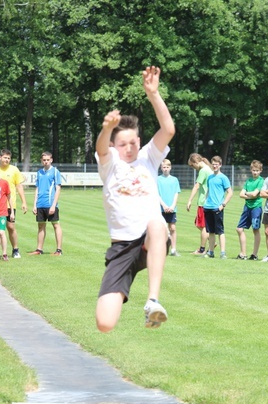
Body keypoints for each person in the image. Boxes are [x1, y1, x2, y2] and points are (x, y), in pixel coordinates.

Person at [95, 66, 175, 333]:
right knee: (105, 323)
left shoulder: (149, 158)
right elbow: (101, 148)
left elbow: (169, 129)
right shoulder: (110, 164)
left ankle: (152, 301)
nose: (128, 148)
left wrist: (153, 94)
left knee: (157, 224)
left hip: (148, 242)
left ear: (138, 141)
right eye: (122, 144)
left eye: (132, 143)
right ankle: (130, 298)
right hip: (122, 248)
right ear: (114, 147)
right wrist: (107, 128)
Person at [30, 151, 63, 255]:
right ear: (41, 160)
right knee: (40, 226)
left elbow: (58, 189)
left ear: (51, 160)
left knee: (56, 225)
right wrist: (34, 204)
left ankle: (59, 250)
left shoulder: (55, 172)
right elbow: (37, 189)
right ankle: (39, 249)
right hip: (40, 204)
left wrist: (53, 205)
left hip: (50, 204)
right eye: (44, 160)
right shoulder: (39, 172)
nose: (46, 162)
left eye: (48, 160)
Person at [0, 149, 28, 258]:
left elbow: (19, 186)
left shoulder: (14, 170)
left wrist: (24, 202)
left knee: (10, 227)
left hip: (10, 204)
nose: (7, 160)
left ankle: (15, 249)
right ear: (0, 157)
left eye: (9, 158)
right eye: (5, 157)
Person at [202, 156, 233, 259]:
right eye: (213, 164)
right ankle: (211, 252)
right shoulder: (210, 177)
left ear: (220, 165)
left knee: (220, 231)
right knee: (210, 231)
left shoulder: (223, 177)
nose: (214, 166)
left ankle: (223, 253)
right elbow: (208, 191)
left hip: (217, 208)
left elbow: (230, 192)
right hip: (208, 207)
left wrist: (223, 205)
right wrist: (205, 202)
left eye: (216, 164)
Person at [236, 160, 264, 260]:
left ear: (260, 171)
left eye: (257, 170)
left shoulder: (261, 181)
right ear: (251, 170)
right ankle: (243, 254)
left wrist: (247, 194)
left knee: (255, 229)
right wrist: (249, 194)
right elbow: (240, 194)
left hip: (256, 208)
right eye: (253, 170)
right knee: (239, 229)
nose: (255, 172)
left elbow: (254, 194)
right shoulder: (248, 181)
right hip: (247, 207)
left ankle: (254, 254)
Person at [185, 153, 212, 255]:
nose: (193, 168)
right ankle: (211, 241)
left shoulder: (203, 171)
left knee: (203, 226)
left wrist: (189, 200)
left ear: (196, 162)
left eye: (192, 165)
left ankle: (201, 249)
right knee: (199, 224)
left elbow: (196, 186)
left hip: (203, 202)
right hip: (208, 202)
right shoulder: (209, 169)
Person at [157, 158, 181, 256]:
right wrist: (163, 205)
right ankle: (160, 249)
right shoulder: (157, 179)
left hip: (172, 208)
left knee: (173, 228)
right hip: (160, 208)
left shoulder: (174, 180)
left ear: (170, 168)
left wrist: (172, 206)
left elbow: (176, 193)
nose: (166, 169)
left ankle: (173, 249)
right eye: (164, 167)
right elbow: (156, 194)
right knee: (161, 229)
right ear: (161, 168)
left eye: (167, 167)